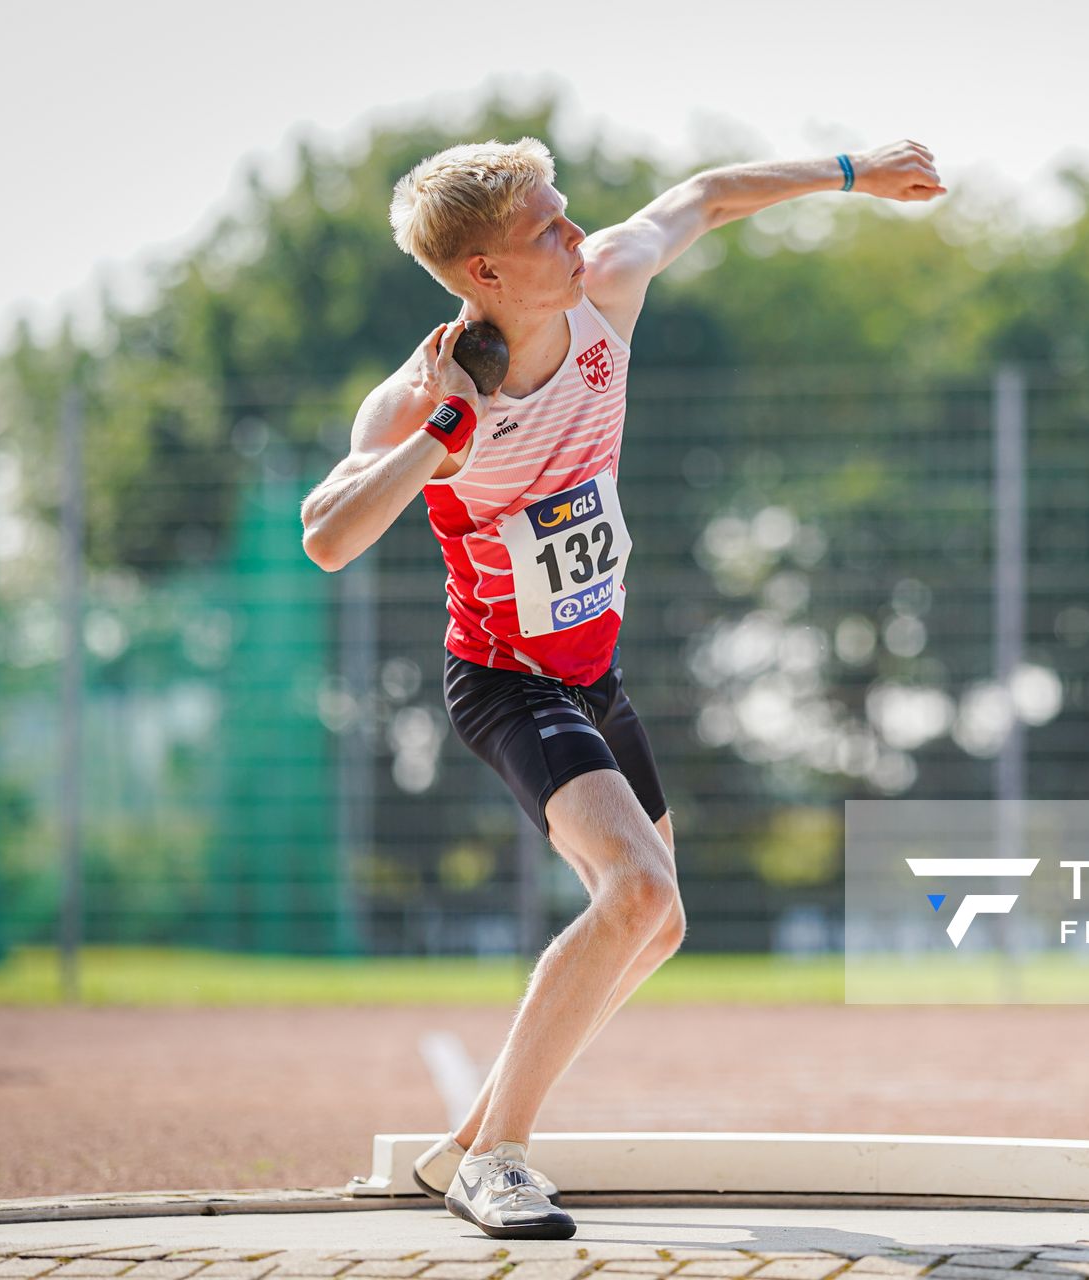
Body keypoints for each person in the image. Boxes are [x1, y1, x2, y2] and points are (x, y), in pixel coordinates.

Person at [299, 135, 945, 1239]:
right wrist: (443, 435)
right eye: (544, 225)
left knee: (662, 920)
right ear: (484, 275)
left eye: (563, 208)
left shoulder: (605, 286)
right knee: (637, 892)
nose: (573, 229)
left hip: (595, 673)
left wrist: (852, 173)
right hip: (507, 678)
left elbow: (707, 194)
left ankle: (468, 1140)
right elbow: (326, 533)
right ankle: (498, 1154)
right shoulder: (419, 395)